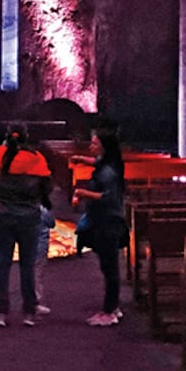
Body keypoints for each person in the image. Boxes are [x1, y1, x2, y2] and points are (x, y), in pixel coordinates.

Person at [0, 127, 52, 327]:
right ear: (27, 137)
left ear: (6, 136)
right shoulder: (36, 158)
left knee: (3, 263)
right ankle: (28, 312)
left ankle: (1, 313)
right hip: (29, 218)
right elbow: (47, 187)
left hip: (3, 215)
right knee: (28, 264)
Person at [71, 118, 127, 326]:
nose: (90, 146)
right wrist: (82, 159)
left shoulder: (108, 172)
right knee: (108, 266)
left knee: (109, 267)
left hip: (108, 221)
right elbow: (97, 162)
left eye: (94, 143)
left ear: (103, 146)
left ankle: (109, 312)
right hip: (107, 220)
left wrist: (82, 192)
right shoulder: (108, 162)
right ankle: (113, 307)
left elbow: (107, 197)